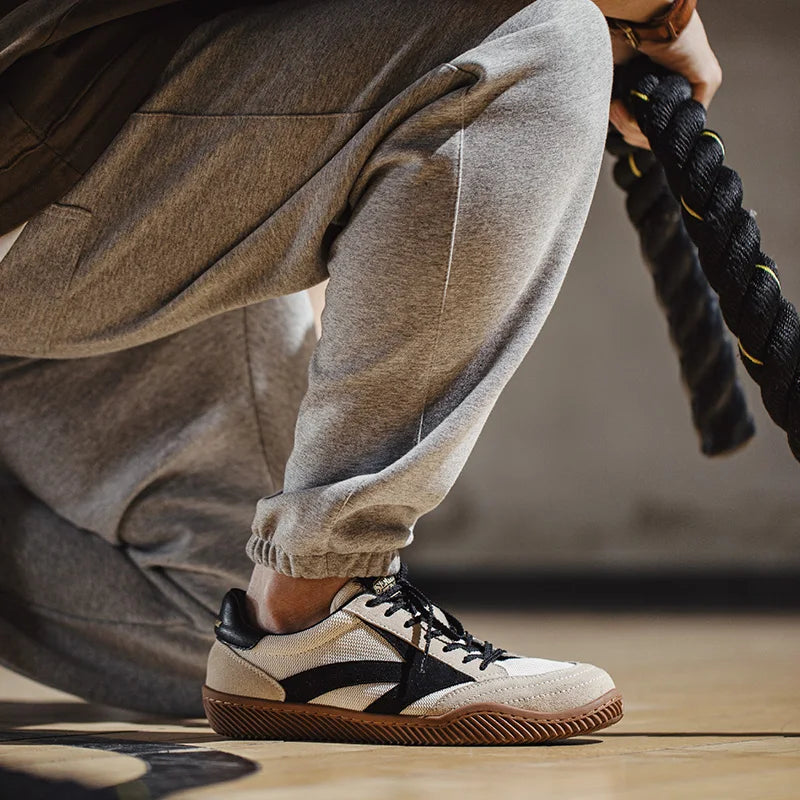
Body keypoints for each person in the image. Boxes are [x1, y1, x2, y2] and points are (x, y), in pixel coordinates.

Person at [0, 0, 720, 743]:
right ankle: (321, 595)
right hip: (37, 156)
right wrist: (656, 17)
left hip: (63, 162)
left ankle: (298, 621)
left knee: (228, 620)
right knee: (538, 37)